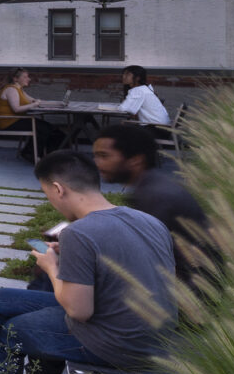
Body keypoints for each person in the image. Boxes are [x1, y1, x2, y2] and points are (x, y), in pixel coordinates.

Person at [0, 150, 176, 374]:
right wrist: (68, 254)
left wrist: (51, 266)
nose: (52, 202)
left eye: (48, 195)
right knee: (0, 297)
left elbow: (79, 311)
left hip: (118, 345)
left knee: (10, 332)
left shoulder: (78, 232)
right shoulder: (148, 220)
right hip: (151, 336)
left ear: (58, 189)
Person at [91, 122, 215, 288]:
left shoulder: (156, 197)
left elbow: (141, 260)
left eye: (104, 156)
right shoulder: (152, 187)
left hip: (181, 295)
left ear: (135, 160)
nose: (97, 163)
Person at [0, 67, 64, 160]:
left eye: (27, 76)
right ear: (15, 79)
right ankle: (32, 155)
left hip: (15, 119)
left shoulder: (19, 89)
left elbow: (36, 101)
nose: (28, 79)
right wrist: (33, 105)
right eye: (25, 77)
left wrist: (58, 103)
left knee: (48, 128)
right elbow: (16, 109)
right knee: (44, 128)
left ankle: (42, 155)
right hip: (6, 122)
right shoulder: (11, 90)